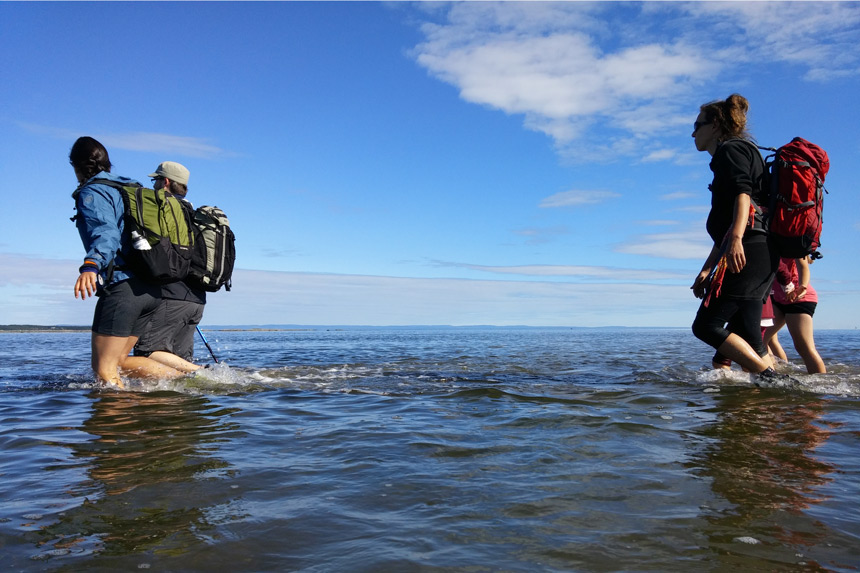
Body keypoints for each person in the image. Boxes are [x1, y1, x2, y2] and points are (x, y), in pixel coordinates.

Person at [70, 137, 200, 386]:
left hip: (123, 288)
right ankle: (197, 381)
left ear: (76, 166)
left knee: (103, 370)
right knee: (120, 361)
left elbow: (105, 232)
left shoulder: (94, 191)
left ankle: (115, 423)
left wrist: (91, 265)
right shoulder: (133, 188)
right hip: (150, 288)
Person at [689, 94, 782, 381]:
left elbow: (743, 194)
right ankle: (778, 407)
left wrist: (738, 238)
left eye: (698, 125)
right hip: (761, 250)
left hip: (751, 248)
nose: (693, 133)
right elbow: (727, 225)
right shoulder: (743, 151)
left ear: (715, 125)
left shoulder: (730, 151)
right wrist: (708, 268)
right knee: (751, 338)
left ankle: (776, 382)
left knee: (706, 326)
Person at [133, 162, 207, 369]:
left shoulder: (162, 210)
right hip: (196, 299)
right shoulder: (191, 213)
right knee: (179, 362)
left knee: (146, 353)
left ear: (165, 181)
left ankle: (204, 373)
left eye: (155, 180)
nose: (154, 184)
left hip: (171, 296)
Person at [763, 257, 826, 373]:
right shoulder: (770, 243)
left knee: (803, 347)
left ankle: (823, 384)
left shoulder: (791, 241)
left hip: (798, 298)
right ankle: (775, 375)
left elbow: (803, 267)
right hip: (778, 298)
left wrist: (803, 286)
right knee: (760, 340)